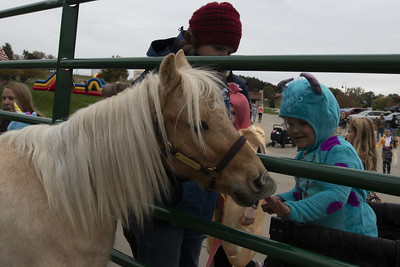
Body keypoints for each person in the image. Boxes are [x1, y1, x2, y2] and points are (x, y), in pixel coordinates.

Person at [123, 3, 248, 267]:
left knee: (189, 260)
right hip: (161, 205)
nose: (223, 58)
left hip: (201, 200)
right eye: (217, 48)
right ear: (195, 39)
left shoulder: (229, 85)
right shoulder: (161, 77)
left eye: (228, 52)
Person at [262, 73, 378, 237]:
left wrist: (292, 210)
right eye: (290, 123)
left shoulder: (339, 150)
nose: (294, 129)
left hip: (351, 235)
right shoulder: (305, 153)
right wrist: (281, 200)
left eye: (303, 123)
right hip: (324, 235)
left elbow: (335, 196)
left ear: (323, 119)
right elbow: (303, 192)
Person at [346, 117, 381, 201]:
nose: (346, 135)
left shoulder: (361, 158)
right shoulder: (369, 155)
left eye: (349, 132)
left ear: (359, 135)